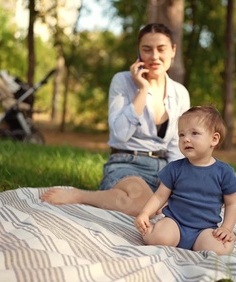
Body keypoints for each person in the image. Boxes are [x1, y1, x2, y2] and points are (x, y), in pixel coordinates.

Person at [41, 23, 190, 216]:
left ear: (173, 50)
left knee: (198, 203)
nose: (154, 56)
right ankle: (81, 195)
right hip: (128, 163)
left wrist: (173, 182)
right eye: (147, 49)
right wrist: (142, 90)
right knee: (142, 204)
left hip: (164, 169)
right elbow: (119, 135)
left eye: (161, 49)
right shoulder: (122, 81)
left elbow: (176, 146)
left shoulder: (180, 93)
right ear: (138, 52)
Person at [134, 105, 236, 255]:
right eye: (181, 135)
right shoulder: (175, 168)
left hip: (204, 229)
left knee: (221, 248)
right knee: (159, 237)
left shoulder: (224, 172)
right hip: (175, 223)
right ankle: (153, 230)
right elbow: (160, 196)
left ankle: (201, 244)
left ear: (214, 139)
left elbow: (232, 203)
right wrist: (145, 213)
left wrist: (226, 229)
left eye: (194, 133)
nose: (186, 139)